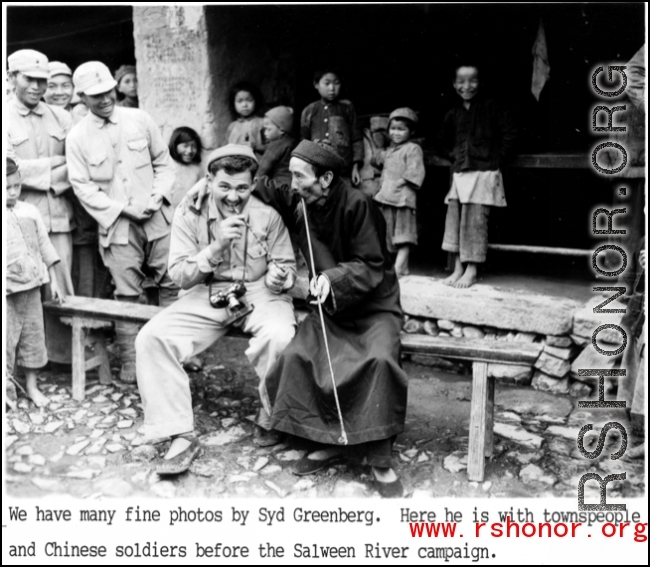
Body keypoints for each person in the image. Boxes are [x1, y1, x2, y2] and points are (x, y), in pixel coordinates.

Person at [255, 140, 408, 498]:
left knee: (380, 361)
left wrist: (331, 278)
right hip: (331, 307)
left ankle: (378, 458)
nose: (292, 184)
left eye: (298, 176)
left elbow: (372, 263)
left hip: (373, 307)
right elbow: (260, 183)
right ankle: (327, 438)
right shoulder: (301, 200)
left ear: (325, 178)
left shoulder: (359, 204)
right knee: (299, 356)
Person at [135, 145, 297, 473]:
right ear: (209, 180)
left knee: (280, 336)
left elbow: (287, 268)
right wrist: (216, 246)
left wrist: (281, 278)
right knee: (152, 338)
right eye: (224, 186)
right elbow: (179, 275)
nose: (233, 196)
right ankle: (177, 432)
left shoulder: (268, 216)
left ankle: (272, 412)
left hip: (259, 292)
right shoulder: (189, 213)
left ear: (253, 185)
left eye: (241, 188)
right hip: (207, 292)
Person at [66, 61, 178, 384]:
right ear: (82, 98)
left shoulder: (139, 118)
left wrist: (156, 199)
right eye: (95, 95)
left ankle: (176, 352)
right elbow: (82, 187)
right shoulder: (77, 137)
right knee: (127, 293)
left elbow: (164, 164)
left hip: (157, 219)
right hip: (117, 226)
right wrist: (123, 209)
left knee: (171, 284)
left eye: (108, 91)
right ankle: (131, 359)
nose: (104, 99)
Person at [7, 49, 75, 364]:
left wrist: (39, 171)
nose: (37, 86)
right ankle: (19, 360)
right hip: (17, 218)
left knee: (60, 285)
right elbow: (10, 168)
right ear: (11, 78)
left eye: (42, 81)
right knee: (21, 289)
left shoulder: (62, 117)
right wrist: (57, 163)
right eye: (29, 79)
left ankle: (61, 357)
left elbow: (79, 165)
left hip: (59, 213)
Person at [436, 63, 517, 288]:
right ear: (454, 84)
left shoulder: (492, 107)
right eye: (460, 81)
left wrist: (495, 158)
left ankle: (471, 270)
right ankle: (458, 267)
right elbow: (442, 141)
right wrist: (454, 155)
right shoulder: (453, 114)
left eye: (472, 80)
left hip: (484, 173)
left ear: (481, 83)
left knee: (475, 222)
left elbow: (510, 133)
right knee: (455, 220)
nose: (466, 86)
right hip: (460, 173)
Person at [6, 158, 63, 408]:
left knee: (32, 337)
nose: (12, 192)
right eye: (6, 187)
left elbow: (45, 247)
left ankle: (31, 386)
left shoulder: (30, 211)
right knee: (6, 341)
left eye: (16, 186)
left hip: (32, 288)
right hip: (7, 292)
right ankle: (7, 390)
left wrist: (55, 281)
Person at [371, 107, 426, 277]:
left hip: (402, 198)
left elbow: (415, 171)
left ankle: (400, 267)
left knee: (404, 235)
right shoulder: (389, 151)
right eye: (393, 129)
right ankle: (402, 267)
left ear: (412, 131)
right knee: (388, 234)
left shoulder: (413, 149)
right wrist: (378, 135)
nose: (396, 133)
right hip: (387, 198)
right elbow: (374, 159)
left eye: (402, 129)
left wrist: (400, 181)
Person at [300, 67, 364, 186]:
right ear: (316, 84)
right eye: (327, 83)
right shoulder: (309, 110)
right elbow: (304, 142)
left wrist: (355, 168)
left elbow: (356, 139)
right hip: (317, 169)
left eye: (336, 83)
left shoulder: (347, 107)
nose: (332, 88)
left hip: (343, 170)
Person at [225, 81, 266, 159]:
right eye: (239, 101)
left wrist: (256, 146)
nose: (244, 105)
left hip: (257, 164)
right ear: (233, 103)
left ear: (256, 101)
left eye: (249, 100)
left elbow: (271, 148)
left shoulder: (262, 123)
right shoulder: (232, 127)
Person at [258, 106, 297, 186]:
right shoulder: (291, 141)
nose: (265, 133)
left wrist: (252, 179)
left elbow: (263, 167)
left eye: (268, 129)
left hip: (278, 185)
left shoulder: (275, 145)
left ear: (281, 130)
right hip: (292, 183)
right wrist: (256, 146)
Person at [169, 126, 203, 210]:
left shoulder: (197, 169)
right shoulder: (165, 164)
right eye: (185, 146)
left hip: (186, 215)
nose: (190, 151)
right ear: (175, 145)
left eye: (193, 146)